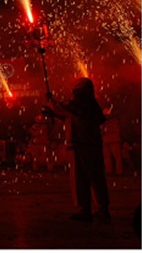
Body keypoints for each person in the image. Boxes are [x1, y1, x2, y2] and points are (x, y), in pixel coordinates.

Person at [45, 77, 110, 222]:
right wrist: (55, 113)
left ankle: (84, 210)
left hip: (80, 146)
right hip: (94, 146)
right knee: (97, 178)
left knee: (80, 179)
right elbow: (72, 117)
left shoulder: (77, 104)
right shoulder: (93, 106)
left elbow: (59, 108)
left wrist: (50, 100)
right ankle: (102, 208)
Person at [101, 108, 123, 175]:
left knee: (117, 157)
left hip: (114, 141)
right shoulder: (103, 122)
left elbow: (116, 130)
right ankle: (109, 171)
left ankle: (119, 172)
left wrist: (106, 130)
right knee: (107, 158)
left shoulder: (114, 121)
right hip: (106, 141)